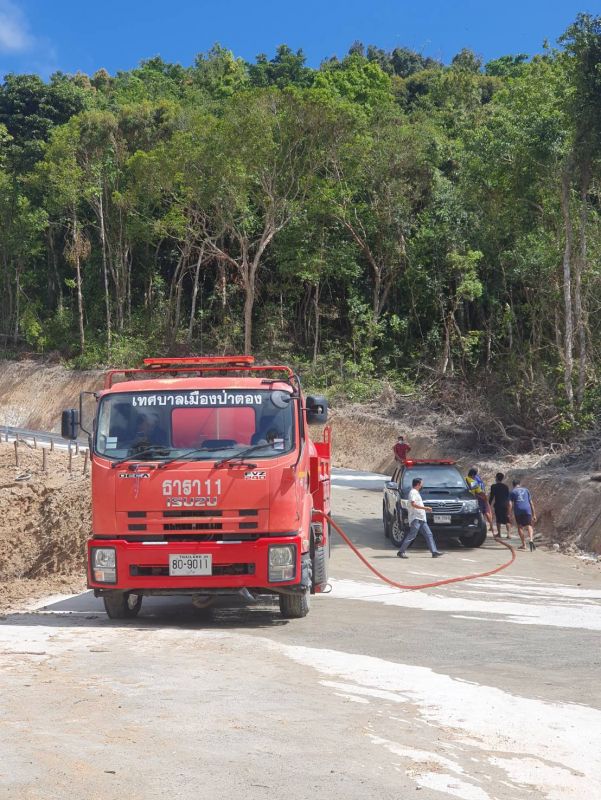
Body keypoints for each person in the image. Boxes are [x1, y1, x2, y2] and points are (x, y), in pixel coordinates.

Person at [397, 477, 444, 559]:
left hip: (421, 518)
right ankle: (401, 551)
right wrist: (425, 508)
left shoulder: (416, 492)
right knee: (412, 535)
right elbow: (413, 504)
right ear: (418, 484)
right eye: (421, 484)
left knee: (429, 534)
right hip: (416, 518)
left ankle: (434, 552)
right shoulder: (413, 492)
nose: (422, 485)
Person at [509, 479, 537, 551]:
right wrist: (534, 514)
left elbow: (510, 504)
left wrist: (509, 514)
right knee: (529, 525)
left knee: (520, 527)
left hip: (518, 510)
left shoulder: (512, 492)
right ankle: (531, 539)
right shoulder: (526, 490)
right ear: (520, 484)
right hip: (527, 510)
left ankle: (524, 545)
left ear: (513, 485)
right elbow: (531, 502)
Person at [466, 467, 494, 534]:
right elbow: (480, 491)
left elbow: (475, 491)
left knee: (479, 513)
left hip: (475, 499)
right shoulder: (478, 480)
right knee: (486, 512)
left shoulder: (467, 479)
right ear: (473, 474)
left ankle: (479, 527)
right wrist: (485, 499)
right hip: (480, 498)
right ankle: (490, 526)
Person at [489, 472, 512, 539]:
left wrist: (488, 504)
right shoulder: (506, 487)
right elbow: (508, 497)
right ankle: (509, 534)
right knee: (507, 519)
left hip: (498, 505)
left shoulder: (493, 486)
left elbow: (491, 496)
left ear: (496, 478)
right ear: (502, 478)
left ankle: (499, 534)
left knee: (498, 519)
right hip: (505, 504)